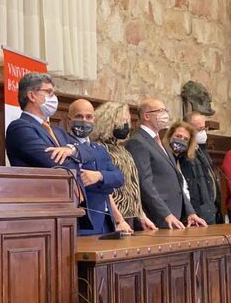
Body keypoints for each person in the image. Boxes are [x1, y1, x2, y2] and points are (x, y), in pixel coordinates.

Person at [5, 73, 100, 233]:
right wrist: (74, 158)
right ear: (32, 95)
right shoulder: (20, 127)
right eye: (48, 92)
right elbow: (53, 162)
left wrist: (71, 150)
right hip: (41, 213)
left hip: (68, 208)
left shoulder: (58, 131)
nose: (54, 97)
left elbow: (89, 151)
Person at [126, 99, 207, 229]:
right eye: (161, 111)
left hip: (174, 217)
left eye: (165, 110)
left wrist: (190, 213)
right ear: (146, 116)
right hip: (156, 219)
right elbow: (145, 184)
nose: (165, 114)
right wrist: (165, 214)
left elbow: (177, 183)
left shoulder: (160, 142)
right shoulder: (138, 142)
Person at [64, 99, 127, 235]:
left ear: (94, 120)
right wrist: (105, 183)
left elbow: (119, 178)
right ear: (69, 121)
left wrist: (99, 176)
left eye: (88, 117)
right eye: (79, 116)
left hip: (106, 222)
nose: (84, 121)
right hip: (83, 223)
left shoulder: (99, 149)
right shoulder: (64, 146)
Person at [91, 102, 156, 231]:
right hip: (110, 217)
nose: (126, 126)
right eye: (122, 121)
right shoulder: (98, 149)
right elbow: (104, 189)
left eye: (127, 121)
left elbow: (132, 186)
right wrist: (118, 219)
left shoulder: (122, 150)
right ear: (108, 122)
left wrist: (141, 215)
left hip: (129, 217)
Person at [181, 112, 221, 224]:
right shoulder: (184, 154)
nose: (203, 132)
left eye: (204, 129)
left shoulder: (201, 150)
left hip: (211, 209)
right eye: (199, 129)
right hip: (197, 212)